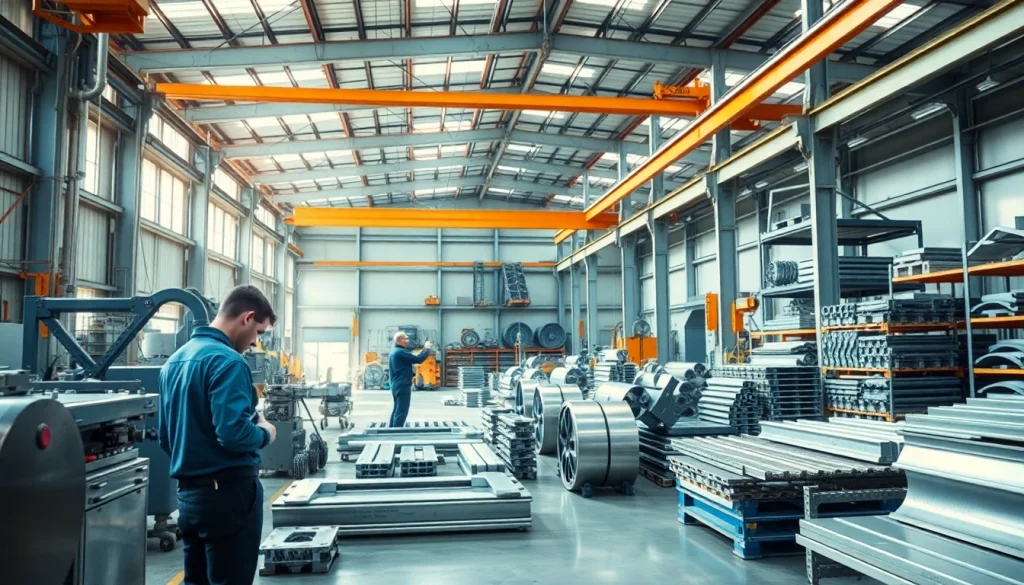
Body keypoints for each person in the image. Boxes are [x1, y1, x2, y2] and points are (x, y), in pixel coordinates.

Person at [158, 285, 278, 585]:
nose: (255, 343)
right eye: (259, 333)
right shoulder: (228, 361)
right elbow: (234, 433)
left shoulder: (173, 362)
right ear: (247, 318)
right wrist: (265, 433)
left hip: (189, 497)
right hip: (229, 495)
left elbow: (165, 437)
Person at [388, 331, 434, 427]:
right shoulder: (400, 352)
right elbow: (418, 359)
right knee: (402, 410)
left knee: (397, 408)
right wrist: (426, 349)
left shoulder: (394, 351)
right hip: (402, 385)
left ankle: (391, 429)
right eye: (406, 339)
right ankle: (396, 432)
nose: (407, 341)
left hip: (396, 385)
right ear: (400, 340)